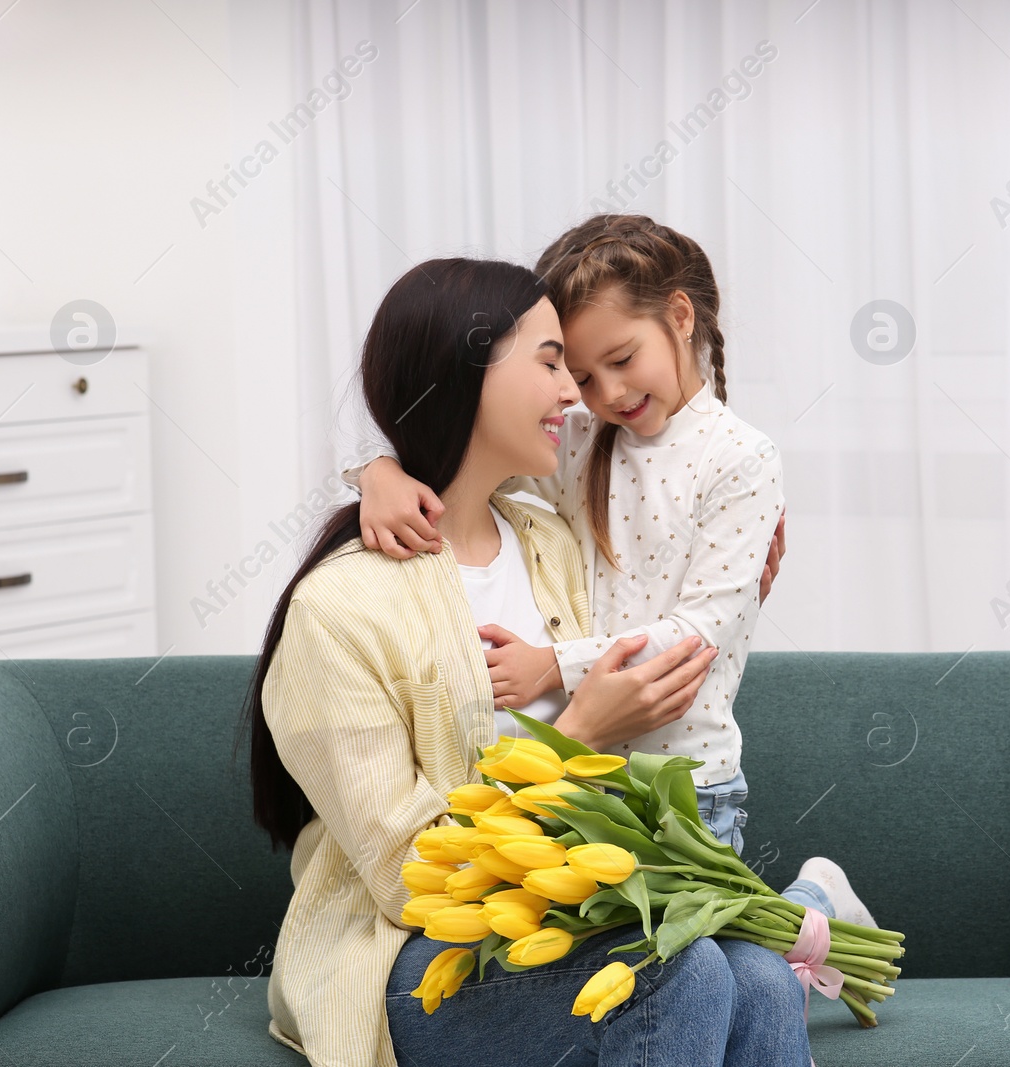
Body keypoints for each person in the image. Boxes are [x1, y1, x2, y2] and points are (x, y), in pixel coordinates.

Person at [243, 257, 812, 1067]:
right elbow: (413, 882)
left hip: (565, 914)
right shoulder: (339, 612)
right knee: (674, 976)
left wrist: (742, 574)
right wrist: (577, 731)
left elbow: (659, 567)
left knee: (760, 979)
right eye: (553, 362)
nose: (576, 393)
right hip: (409, 955)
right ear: (465, 371)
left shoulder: (551, 539)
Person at [347, 215, 873, 925]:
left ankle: (816, 903)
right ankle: (814, 913)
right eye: (583, 374)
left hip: (688, 781)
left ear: (680, 316)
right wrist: (377, 469)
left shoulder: (741, 458)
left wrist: (550, 667)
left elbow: (697, 637)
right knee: (654, 970)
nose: (607, 393)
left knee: (699, 972)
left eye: (624, 358)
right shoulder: (588, 439)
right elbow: (473, 466)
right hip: (588, 778)